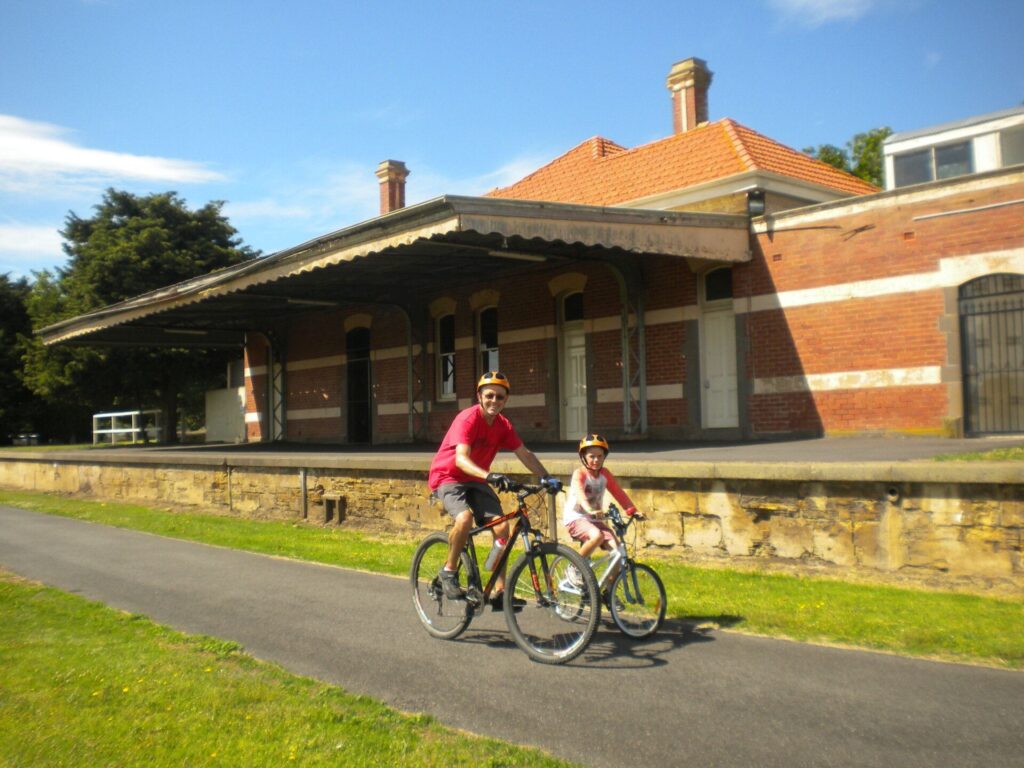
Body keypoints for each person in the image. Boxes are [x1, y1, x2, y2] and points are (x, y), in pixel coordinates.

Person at [428, 371, 561, 608]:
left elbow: (524, 453)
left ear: (505, 401)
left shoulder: (503, 425)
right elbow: (460, 459)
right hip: (449, 477)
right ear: (479, 396)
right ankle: (449, 571)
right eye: (489, 395)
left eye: (500, 397)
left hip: (476, 480)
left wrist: (546, 478)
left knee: (502, 528)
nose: (494, 401)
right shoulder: (467, 419)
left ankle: (500, 591)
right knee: (465, 518)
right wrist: (489, 475)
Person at [563, 434, 642, 563]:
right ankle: (574, 569)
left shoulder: (605, 474)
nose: (596, 460)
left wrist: (632, 511)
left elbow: (618, 492)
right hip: (575, 518)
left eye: (600, 456)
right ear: (583, 457)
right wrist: (589, 509)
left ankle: (610, 583)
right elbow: (579, 493)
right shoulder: (580, 473)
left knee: (619, 552)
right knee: (597, 536)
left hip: (594, 519)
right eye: (592, 456)